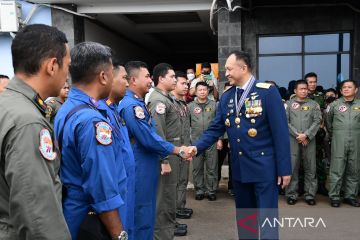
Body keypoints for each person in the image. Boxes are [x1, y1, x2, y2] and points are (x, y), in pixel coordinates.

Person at [187, 51, 291, 239]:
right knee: (246, 220)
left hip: (264, 168)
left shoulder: (267, 92)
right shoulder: (227, 96)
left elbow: (281, 134)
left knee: (268, 221)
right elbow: (215, 128)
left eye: (228, 68)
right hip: (240, 168)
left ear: (243, 68)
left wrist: (284, 169)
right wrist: (197, 147)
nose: (225, 73)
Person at [0, 24, 71, 239]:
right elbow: (38, 215)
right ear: (51, 66)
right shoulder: (28, 123)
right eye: (67, 65)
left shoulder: (7, 104)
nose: (67, 74)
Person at [54, 42, 128, 240]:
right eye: (112, 72)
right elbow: (101, 188)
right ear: (103, 76)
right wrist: (119, 234)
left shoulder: (67, 108)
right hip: (91, 219)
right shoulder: (91, 121)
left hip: (75, 211)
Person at [118, 61, 190, 240]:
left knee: (148, 208)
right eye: (147, 76)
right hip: (140, 165)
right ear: (133, 80)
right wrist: (175, 150)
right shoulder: (131, 106)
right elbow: (149, 138)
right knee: (142, 210)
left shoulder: (137, 102)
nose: (150, 80)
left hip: (146, 163)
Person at [149, 63, 189, 238]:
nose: (175, 79)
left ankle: (169, 226)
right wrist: (164, 159)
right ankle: (161, 233)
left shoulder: (168, 99)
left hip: (175, 151)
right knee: (164, 196)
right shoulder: (158, 100)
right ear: (161, 78)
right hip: (167, 154)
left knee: (170, 194)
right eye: (172, 77)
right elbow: (159, 134)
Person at [98, 59, 136, 239]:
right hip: (114, 191)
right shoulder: (98, 113)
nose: (128, 83)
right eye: (124, 78)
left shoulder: (113, 110)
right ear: (109, 79)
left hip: (125, 184)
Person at [285, 80, 321, 206]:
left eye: (306, 88)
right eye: (301, 89)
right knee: (292, 167)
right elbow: (285, 122)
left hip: (309, 140)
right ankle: (291, 194)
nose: (304, 91)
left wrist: (306, 135)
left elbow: (317, 122)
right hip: (292, 140)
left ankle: (309, 195)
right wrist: (298, 135)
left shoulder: (314, 104)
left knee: (310, 167)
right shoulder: (288, 104)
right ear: (295, 91)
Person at [325, 79, 360, 207]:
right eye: (344, 87)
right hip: (339, 139)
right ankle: (334, 196)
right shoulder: (334, 105)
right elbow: (328, 122)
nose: (346, 89)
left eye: (349, 87)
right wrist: (337, 134)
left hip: (356, 140)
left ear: (355, 90)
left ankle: (350, 196)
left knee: (354, 168)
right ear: (340, 91)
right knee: (337, 168)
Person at [189, 81, 219, 201]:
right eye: (200, 90)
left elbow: (219, 124)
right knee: (197, 168)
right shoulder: (190, 106)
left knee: (212, 167)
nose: (202, 92)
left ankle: (211, 190)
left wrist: (220, 140)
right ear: (195, 92)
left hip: (211, 141)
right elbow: (187, 125)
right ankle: (199, 190)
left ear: (208, 91)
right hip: (196, 142)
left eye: (204, 90)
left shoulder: (214, 105)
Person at [172, 71, 193, 221]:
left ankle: (180, 206)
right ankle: (173, 212)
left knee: (183, 179)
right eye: (182, 83)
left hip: (184, 147)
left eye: (187, 83)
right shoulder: (169, 103)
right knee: (173, 182)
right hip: (174, 149)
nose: (186, 86)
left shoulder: (184, 104)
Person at [305, 72, 328, 196]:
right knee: (303, 161)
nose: (313, 84)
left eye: (314, 82)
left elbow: (323, 114)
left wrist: (322, 128)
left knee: (319, 159)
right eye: (310, 82)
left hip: (317, 132)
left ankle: (321, 186)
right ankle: (303, 186)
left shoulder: (320, 96)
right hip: (304, 133)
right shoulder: (298, 96)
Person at [217, 82, 234, 196]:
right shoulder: (218, 104)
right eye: (227, 90)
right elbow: (216, 124)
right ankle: (214, 186)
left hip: (233, 139)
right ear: (223, 91)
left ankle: (232, 187)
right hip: (221, 139)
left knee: (234, 164)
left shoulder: (238, 103)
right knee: (216, 163)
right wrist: (218, 139)